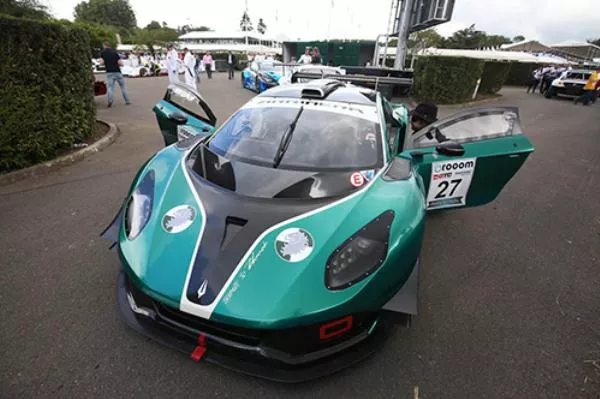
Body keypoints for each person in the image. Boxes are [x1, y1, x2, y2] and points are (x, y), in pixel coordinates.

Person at [99, 41, 130, 107]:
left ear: (104, 45)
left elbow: (101, 63)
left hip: (109, 72)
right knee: (123, 87)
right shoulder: (114, 52)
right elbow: (120, 63)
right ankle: (127, 101)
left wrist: (105, 62)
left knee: (110, 87)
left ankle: (110, 101)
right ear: (109, 45)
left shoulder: (103, 53)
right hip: (117, 71)